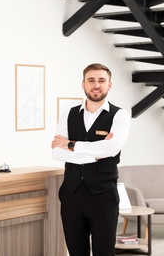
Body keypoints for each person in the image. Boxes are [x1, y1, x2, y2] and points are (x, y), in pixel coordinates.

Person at [51, 63, 130, 256]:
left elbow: (111, 149)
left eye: (102, 81)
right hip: (71, 195)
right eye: (91, 80)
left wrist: (71, 144)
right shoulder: (68, 113)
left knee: (104, 252)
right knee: (76, 252)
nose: (96, 85)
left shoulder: (119, 115)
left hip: (103, 196)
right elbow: (57, 153)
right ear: (83, 84)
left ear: (109, 85)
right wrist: (96, 152)